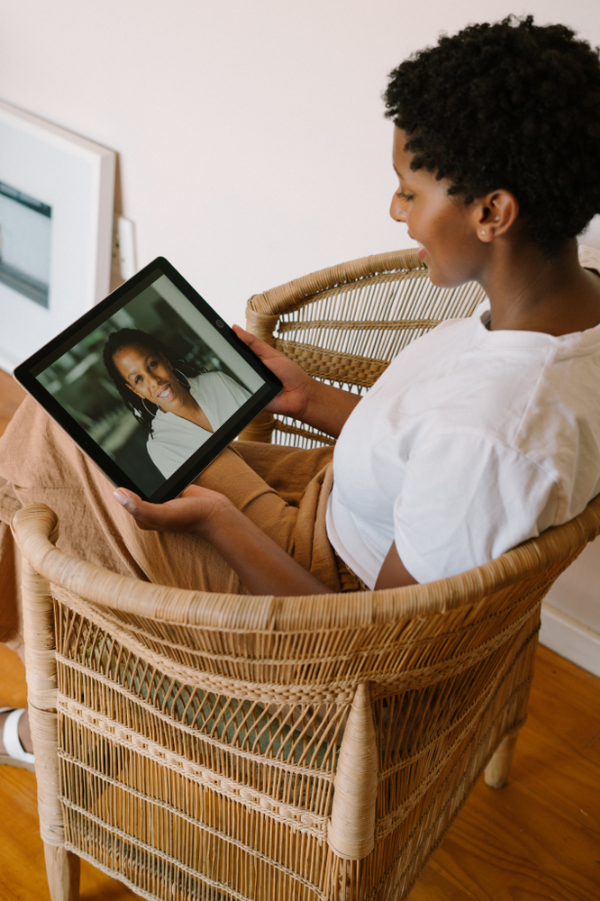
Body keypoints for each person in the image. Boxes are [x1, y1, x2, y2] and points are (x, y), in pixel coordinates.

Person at [1, 14, 600, 764]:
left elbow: (368, 647)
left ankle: (63, 727)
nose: (396, 211)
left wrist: (218, 523)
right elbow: (426, 454)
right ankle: (66, 708)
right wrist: (308, 399)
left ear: (492, 212)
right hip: (326, 506)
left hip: (312, 606)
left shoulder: (495, 435)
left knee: (48, 452)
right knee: (57, 430)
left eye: (408, 191)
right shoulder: (566, 316)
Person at [103, 329, 252, 478]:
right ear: (136, 391)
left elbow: (266, 423)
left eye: (152, 365)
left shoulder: (217, 383)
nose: (154, 380)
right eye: (138, 379)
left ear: (165, 361)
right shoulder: (161, 446)